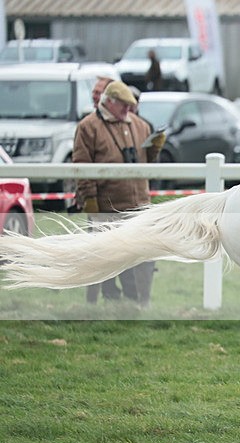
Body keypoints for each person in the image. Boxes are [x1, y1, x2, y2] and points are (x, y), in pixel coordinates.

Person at [74, 81, 166, 307]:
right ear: (109, 102)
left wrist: (154, 149)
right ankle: (95, 304)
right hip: (106, 206)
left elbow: (145, 163)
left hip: (139, 206)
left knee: (140, 257)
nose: (128, 110)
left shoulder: (140, 125)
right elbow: (81, 167)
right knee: (101, 258)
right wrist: (91, 201)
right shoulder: (88, 127)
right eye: (124, 105)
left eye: (130, 106)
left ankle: (138, 303)